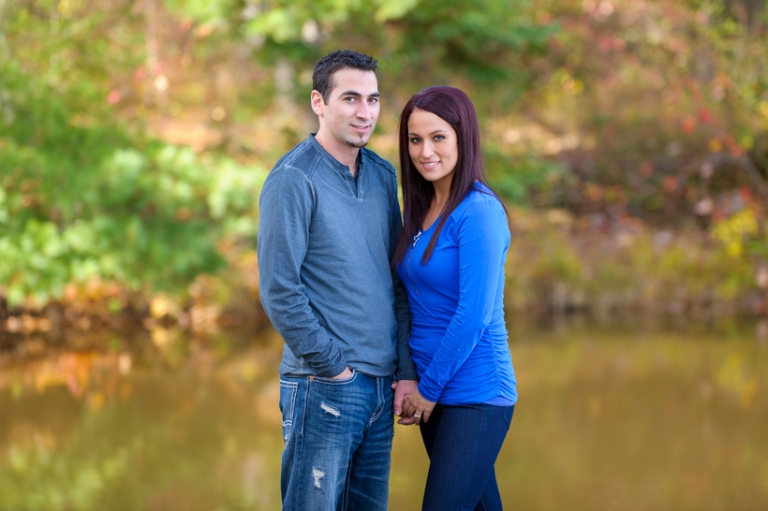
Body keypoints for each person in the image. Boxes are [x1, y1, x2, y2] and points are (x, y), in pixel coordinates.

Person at [257, 49, 418, 511]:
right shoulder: (293, 179)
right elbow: (279, 291)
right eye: (350, 98)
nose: (364, 112)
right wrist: (335, 368)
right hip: (324, 385)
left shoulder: (384, 176)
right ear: (318, 103)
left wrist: (404, 370)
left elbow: (397, 280)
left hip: (380, 386)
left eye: (372, 99)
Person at [393, 86, 518, 511]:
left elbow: (474, 316)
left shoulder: (479, 212)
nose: (425, 151)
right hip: (435, 393)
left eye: (438, 137)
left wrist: (426, 390)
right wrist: (411, 378)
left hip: (476, 394)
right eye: (415, 139)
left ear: (464, 138)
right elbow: (408, 303)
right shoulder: (421, 210)